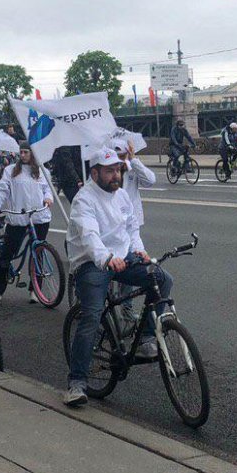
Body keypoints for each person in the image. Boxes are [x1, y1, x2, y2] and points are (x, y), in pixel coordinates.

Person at [64, 147, 173, 407]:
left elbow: (131, 228)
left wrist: (140, 251)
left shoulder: (122, 195)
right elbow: (89, 236)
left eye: (118, 170)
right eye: (110, 171)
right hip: (93, 262)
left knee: (162, 279)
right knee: (91, 315)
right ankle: (76, 383)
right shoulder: (84, 199)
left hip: (124, 256)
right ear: (95, 172)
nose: (116, 175)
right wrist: (105, 258)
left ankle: (147, 337)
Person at [0, 141, 52, 307]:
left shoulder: (42, 171)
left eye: (26, 152)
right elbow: (1, 190)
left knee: (38, 253)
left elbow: (47, 189)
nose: (22, 155)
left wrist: (48, 198)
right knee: (8, 254)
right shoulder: (11, 171)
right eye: (21, 152)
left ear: (33, 153)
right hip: (18, 218)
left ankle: (35, 289)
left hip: (39, 217)